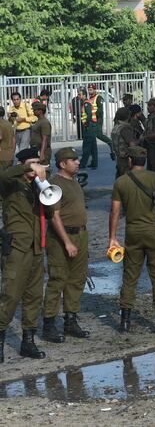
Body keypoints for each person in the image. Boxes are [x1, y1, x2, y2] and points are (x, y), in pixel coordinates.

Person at [109, 145, 155, 333]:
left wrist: (112, 237)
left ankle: (125, 321)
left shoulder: (121, 182)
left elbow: (115, 212)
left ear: (130, 161)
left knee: (130, 276)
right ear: (144, 160)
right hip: (154, 232)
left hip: (133, 233)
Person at [0, 147, 49, 362]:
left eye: (38, 162)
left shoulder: (38, 186)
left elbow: (50, 210)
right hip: (17, 248)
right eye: (32, 163)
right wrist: (27, 168)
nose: (36, 167)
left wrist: (43, 186)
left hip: (37, 247)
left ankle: (27, 342)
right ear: (22, 165)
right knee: (10, 295)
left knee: (34, 296)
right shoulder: (11, 183)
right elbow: (3, 174)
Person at [41, 147, 91, 343]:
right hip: (61, 238)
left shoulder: (74, 182)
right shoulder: (54, 185)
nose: (77, 162)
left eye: (77, 159)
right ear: (62, 164)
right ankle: (49, 325)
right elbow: (54, 217)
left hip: (80, 235)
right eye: (73, 160)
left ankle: (70, 321)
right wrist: (67, 242)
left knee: (77, 280)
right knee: (57, 280)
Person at [80, 85, 113, 169]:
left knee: (98, 135)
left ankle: (110, 143)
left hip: (96, 121)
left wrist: (95, 120)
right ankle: (94, 163)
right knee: (93, 144)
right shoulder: (90, 98)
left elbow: (100, 111)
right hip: (92, 122)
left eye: (91, 90)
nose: (90, 91)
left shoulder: (98, 98)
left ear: (95, 90)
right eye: (89, 90)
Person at [111, 107, 137, 179]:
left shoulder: (116, 127)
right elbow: (132, 144)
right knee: (128, 179)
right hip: (126, 158)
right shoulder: (125, 128)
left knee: (120, 177)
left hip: (118, 157)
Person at [29, 102, 52, 167]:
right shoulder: (39, 121)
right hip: (36, 150)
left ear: (40, 111)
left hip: (42, 151)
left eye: (35, 110)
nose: (33, 111)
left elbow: (45, 139)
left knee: (43, 171)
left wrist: (42, 154)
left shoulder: (44, 123)